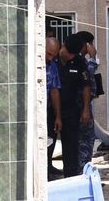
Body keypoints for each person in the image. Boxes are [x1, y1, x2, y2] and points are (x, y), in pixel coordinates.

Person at [58, 34, 92, 177]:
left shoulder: (79, 61)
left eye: (73, 54)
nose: (70, 57)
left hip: (71, 109)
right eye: (68, 53)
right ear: (63, 45)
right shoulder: (51, 57)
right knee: (47, 145)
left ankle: (70, 178)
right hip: (49, 110)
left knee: (71, 147)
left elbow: (86, 86)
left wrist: (85, 109)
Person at [76, 31, 99, 170]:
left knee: (88, 139)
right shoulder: (80, 60)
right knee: (85, 141)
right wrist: (93, 58)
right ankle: (82, 172)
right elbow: (87, 77)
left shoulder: (81, 59)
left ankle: (85, 171)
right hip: (81, 106)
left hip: (85, 105)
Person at [46, 37, 62, 181]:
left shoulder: (52, 66)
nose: (50, 58)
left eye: (54, 55)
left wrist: (58, 115)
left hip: (48, 110)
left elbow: (54, 90)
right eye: (48, 54)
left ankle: (48, 167)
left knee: (50, 139)